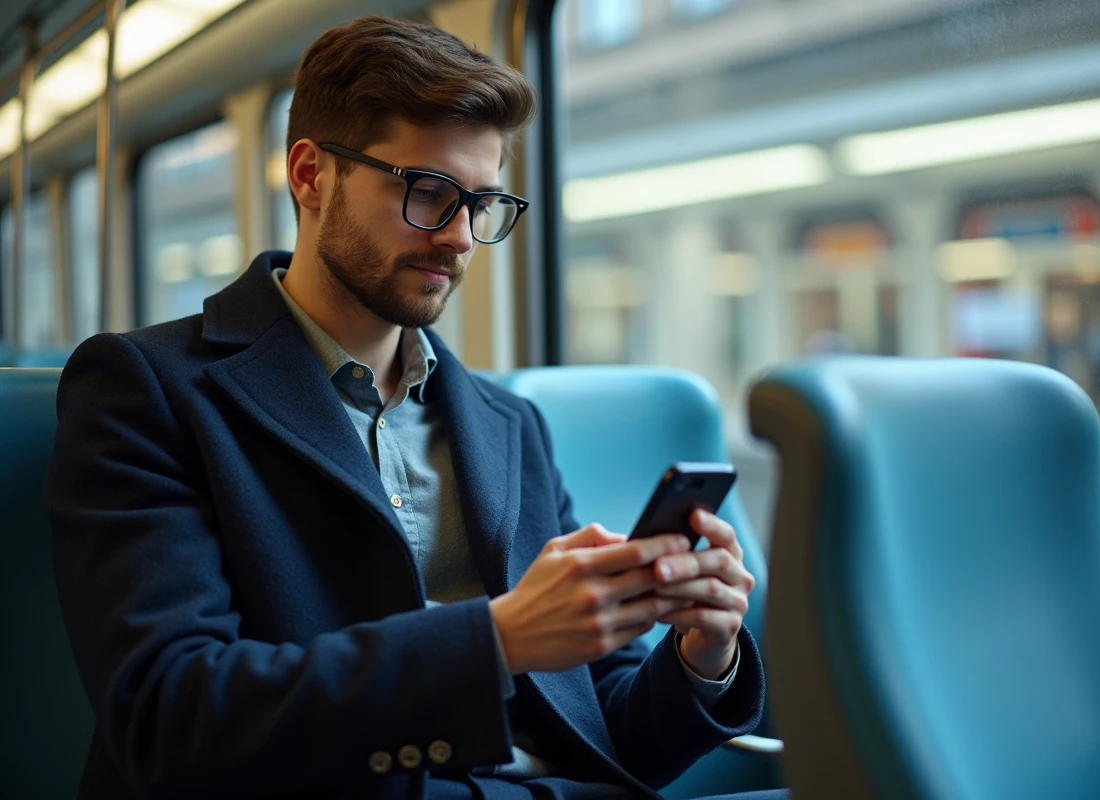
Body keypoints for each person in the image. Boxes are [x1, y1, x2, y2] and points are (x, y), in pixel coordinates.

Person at [47, 16, 772, 800]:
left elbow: (606, 738)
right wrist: (496, 641)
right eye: (429, 193)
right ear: (310, 176)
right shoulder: (147, 387)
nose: (460, 237)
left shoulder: (504, 423)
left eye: (482, 202)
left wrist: (704, 652)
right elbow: (169, 716)